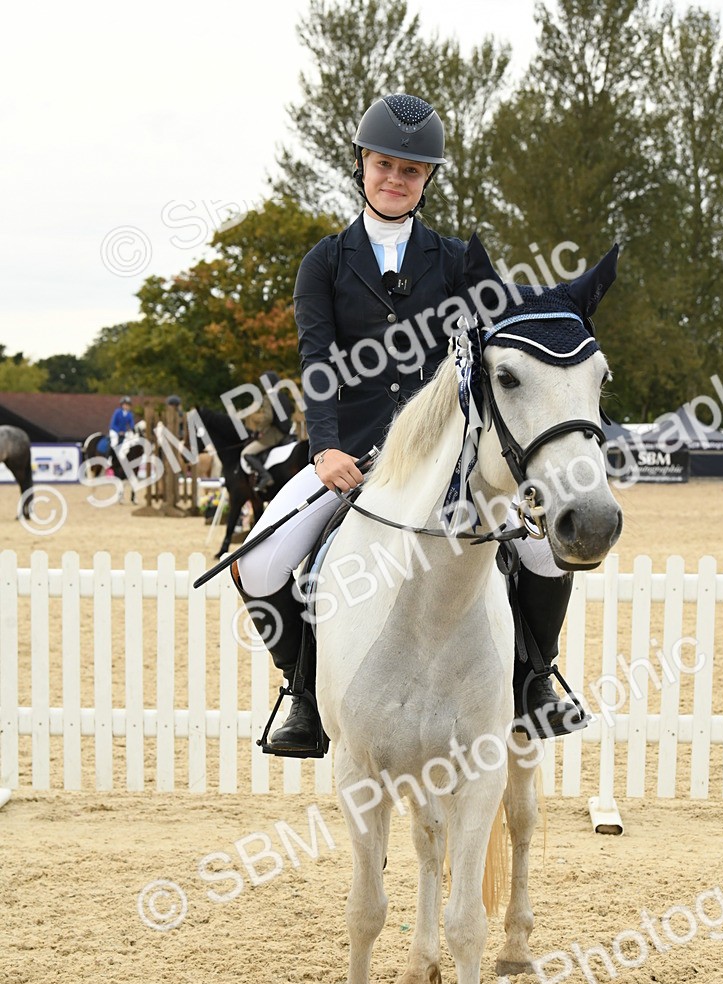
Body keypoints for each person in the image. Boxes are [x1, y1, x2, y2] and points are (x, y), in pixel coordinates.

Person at [232, 93, 585, 756]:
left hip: (444, 455)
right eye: (384, 165)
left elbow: (493, 342)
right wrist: (325, 448)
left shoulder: (454, 261)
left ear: (427, 180)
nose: (395, 178)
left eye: (411, 171)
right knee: (258, 562)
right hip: (351, 456)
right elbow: (317, 360)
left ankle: (536, 681)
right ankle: (302, 693)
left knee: (543, 551)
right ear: (362, 166)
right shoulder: (324, 262)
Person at [241, 371, 294, 495]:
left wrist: (258, 430)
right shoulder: (283, 396)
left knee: (246, 453)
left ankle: (265, 476)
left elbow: (268, 417)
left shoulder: (268, 397)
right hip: (287, 433)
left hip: (274, 435)